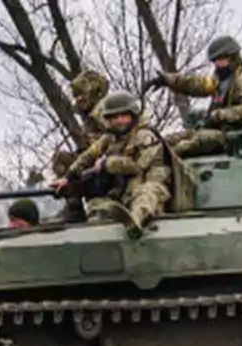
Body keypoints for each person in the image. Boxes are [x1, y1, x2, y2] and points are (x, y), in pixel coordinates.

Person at [52, 90, 172, 238]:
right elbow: (88, 155)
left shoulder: (144, 135)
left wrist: (107, 164)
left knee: (146, 193)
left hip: (152, 180)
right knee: (99, 202)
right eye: (114, 117)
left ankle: (135, 221)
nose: (119, 121)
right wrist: (69, 177)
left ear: (133, 116)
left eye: (123, 116)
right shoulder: (110, 137)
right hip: (125, 188)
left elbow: (137, 167)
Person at [143, 35, 242, 158]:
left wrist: (218, 115)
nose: (218, 65)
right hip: (216, 132)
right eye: (215, 61)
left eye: (221, 60)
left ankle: (167, 161)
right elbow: (195, 84)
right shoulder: (221, 80)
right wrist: (166, 80)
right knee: (169, 140)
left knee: (185, 146)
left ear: (233, 58)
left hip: (237, 137)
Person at [53, 69, 112, 223]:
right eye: (76, 96)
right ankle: (74, 206)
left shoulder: (103, 110)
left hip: (109, 156)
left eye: (82, 95)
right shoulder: (88, 114)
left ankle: (82, 208)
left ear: (93, 92)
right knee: (63, 159)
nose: (79, 99)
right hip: (94, 154)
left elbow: (113, 137)